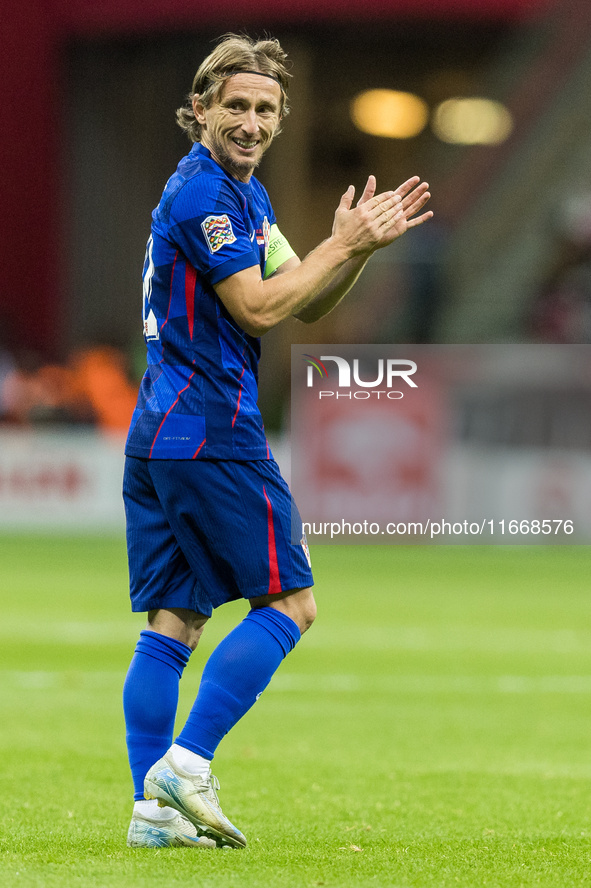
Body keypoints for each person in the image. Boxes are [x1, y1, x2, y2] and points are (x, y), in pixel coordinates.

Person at [122, 32, 433, 850]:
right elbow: (258, 310)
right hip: (211, 430)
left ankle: (153, 817)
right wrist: (341, 243)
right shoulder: (203, 197)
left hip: (160, 431)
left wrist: (353, 252)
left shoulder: (242, 197)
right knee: (291, 605)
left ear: (280, 118)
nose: (251, 121)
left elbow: (306, 304)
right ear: (199, 111)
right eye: (234, 106)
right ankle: (184, 766)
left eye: (265, 109)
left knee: (172, 624)